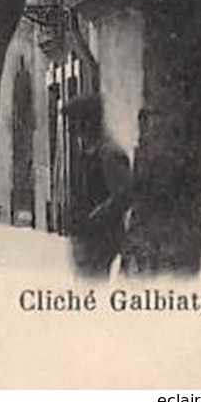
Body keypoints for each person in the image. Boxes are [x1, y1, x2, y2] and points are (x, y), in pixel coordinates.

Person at [64, 94, 132, 279]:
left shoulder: (109, 153)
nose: (74, 129)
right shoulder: (90, 150)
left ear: (89, 121)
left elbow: (123, 195)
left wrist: (93, 219)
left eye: (77, 122)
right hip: (87, 239)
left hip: (99, 239)